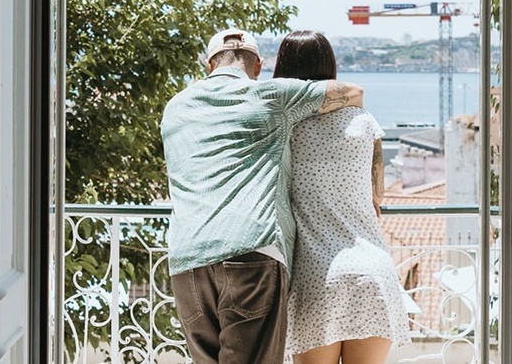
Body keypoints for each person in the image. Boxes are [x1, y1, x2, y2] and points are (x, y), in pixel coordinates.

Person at [162, 28, 366, 364]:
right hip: (250, 252)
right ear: (257, 65)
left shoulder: (175, 107)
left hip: (187, 262)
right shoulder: (271, 95)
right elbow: (353, 92)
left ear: (210, 65)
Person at [273, 31, 410, 364]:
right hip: (373, 274)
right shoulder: (364, 122)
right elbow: (377, 198)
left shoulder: (285, 127)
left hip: (317, 276)